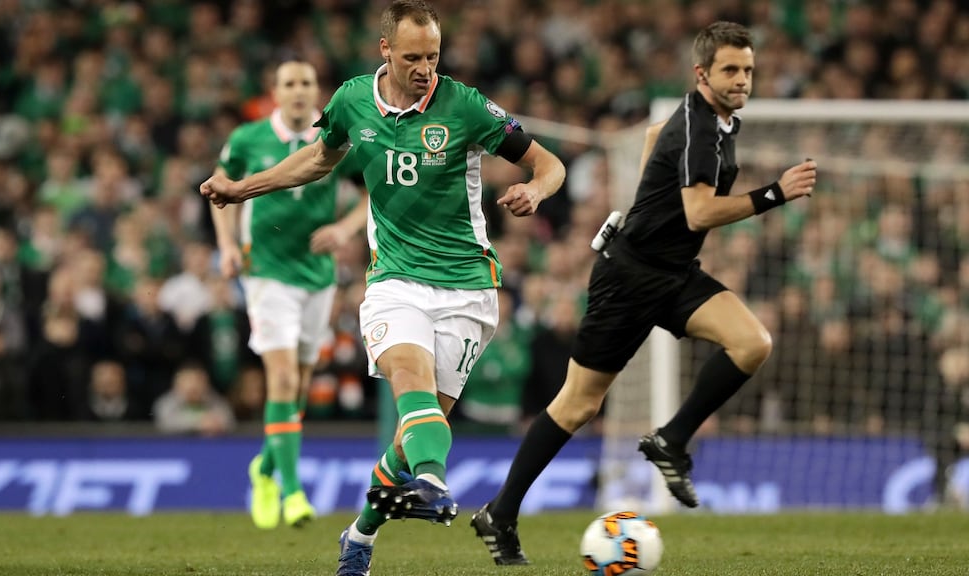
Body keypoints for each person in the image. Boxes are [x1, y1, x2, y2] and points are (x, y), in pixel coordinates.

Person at [200, 1, 565, 573]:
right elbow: (317, 160)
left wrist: (537, 191)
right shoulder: (349, 100)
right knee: (411, 383)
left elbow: (549, 163)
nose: (426, 67)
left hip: (469, 287)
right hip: (395, 280)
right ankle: (434, 485)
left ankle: (360, 535)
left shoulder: (466, 106)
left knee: (415, 431)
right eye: (414, 56)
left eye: (434, 56)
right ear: (386, 50)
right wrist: (243, 190)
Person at [470, 21, 817, 565]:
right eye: (731, 69)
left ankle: (670, 440)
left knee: (753, 343)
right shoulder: (699, 128)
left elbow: (656, 137)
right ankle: (501, 513)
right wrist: (774, 193)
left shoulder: (714, 121)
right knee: (579, 403)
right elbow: (700, 210)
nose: (742, 79)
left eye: (748, 69)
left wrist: (643, 201)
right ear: (703, 73)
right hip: (628, 277)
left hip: (674, 271)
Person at [208, 58, 369, 530]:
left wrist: (344, 228)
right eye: (289, 84)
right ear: (274, 92)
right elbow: (221, 189)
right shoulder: (247, 138)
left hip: (316, 274)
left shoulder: (336, 133)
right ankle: (292, 491)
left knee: (297, 385)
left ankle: (264, 467)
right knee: (279, 378)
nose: (299, 91)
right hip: (266, 271)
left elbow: (369, 194)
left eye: (306, 83)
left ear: (316, 89)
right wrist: (226, 245)